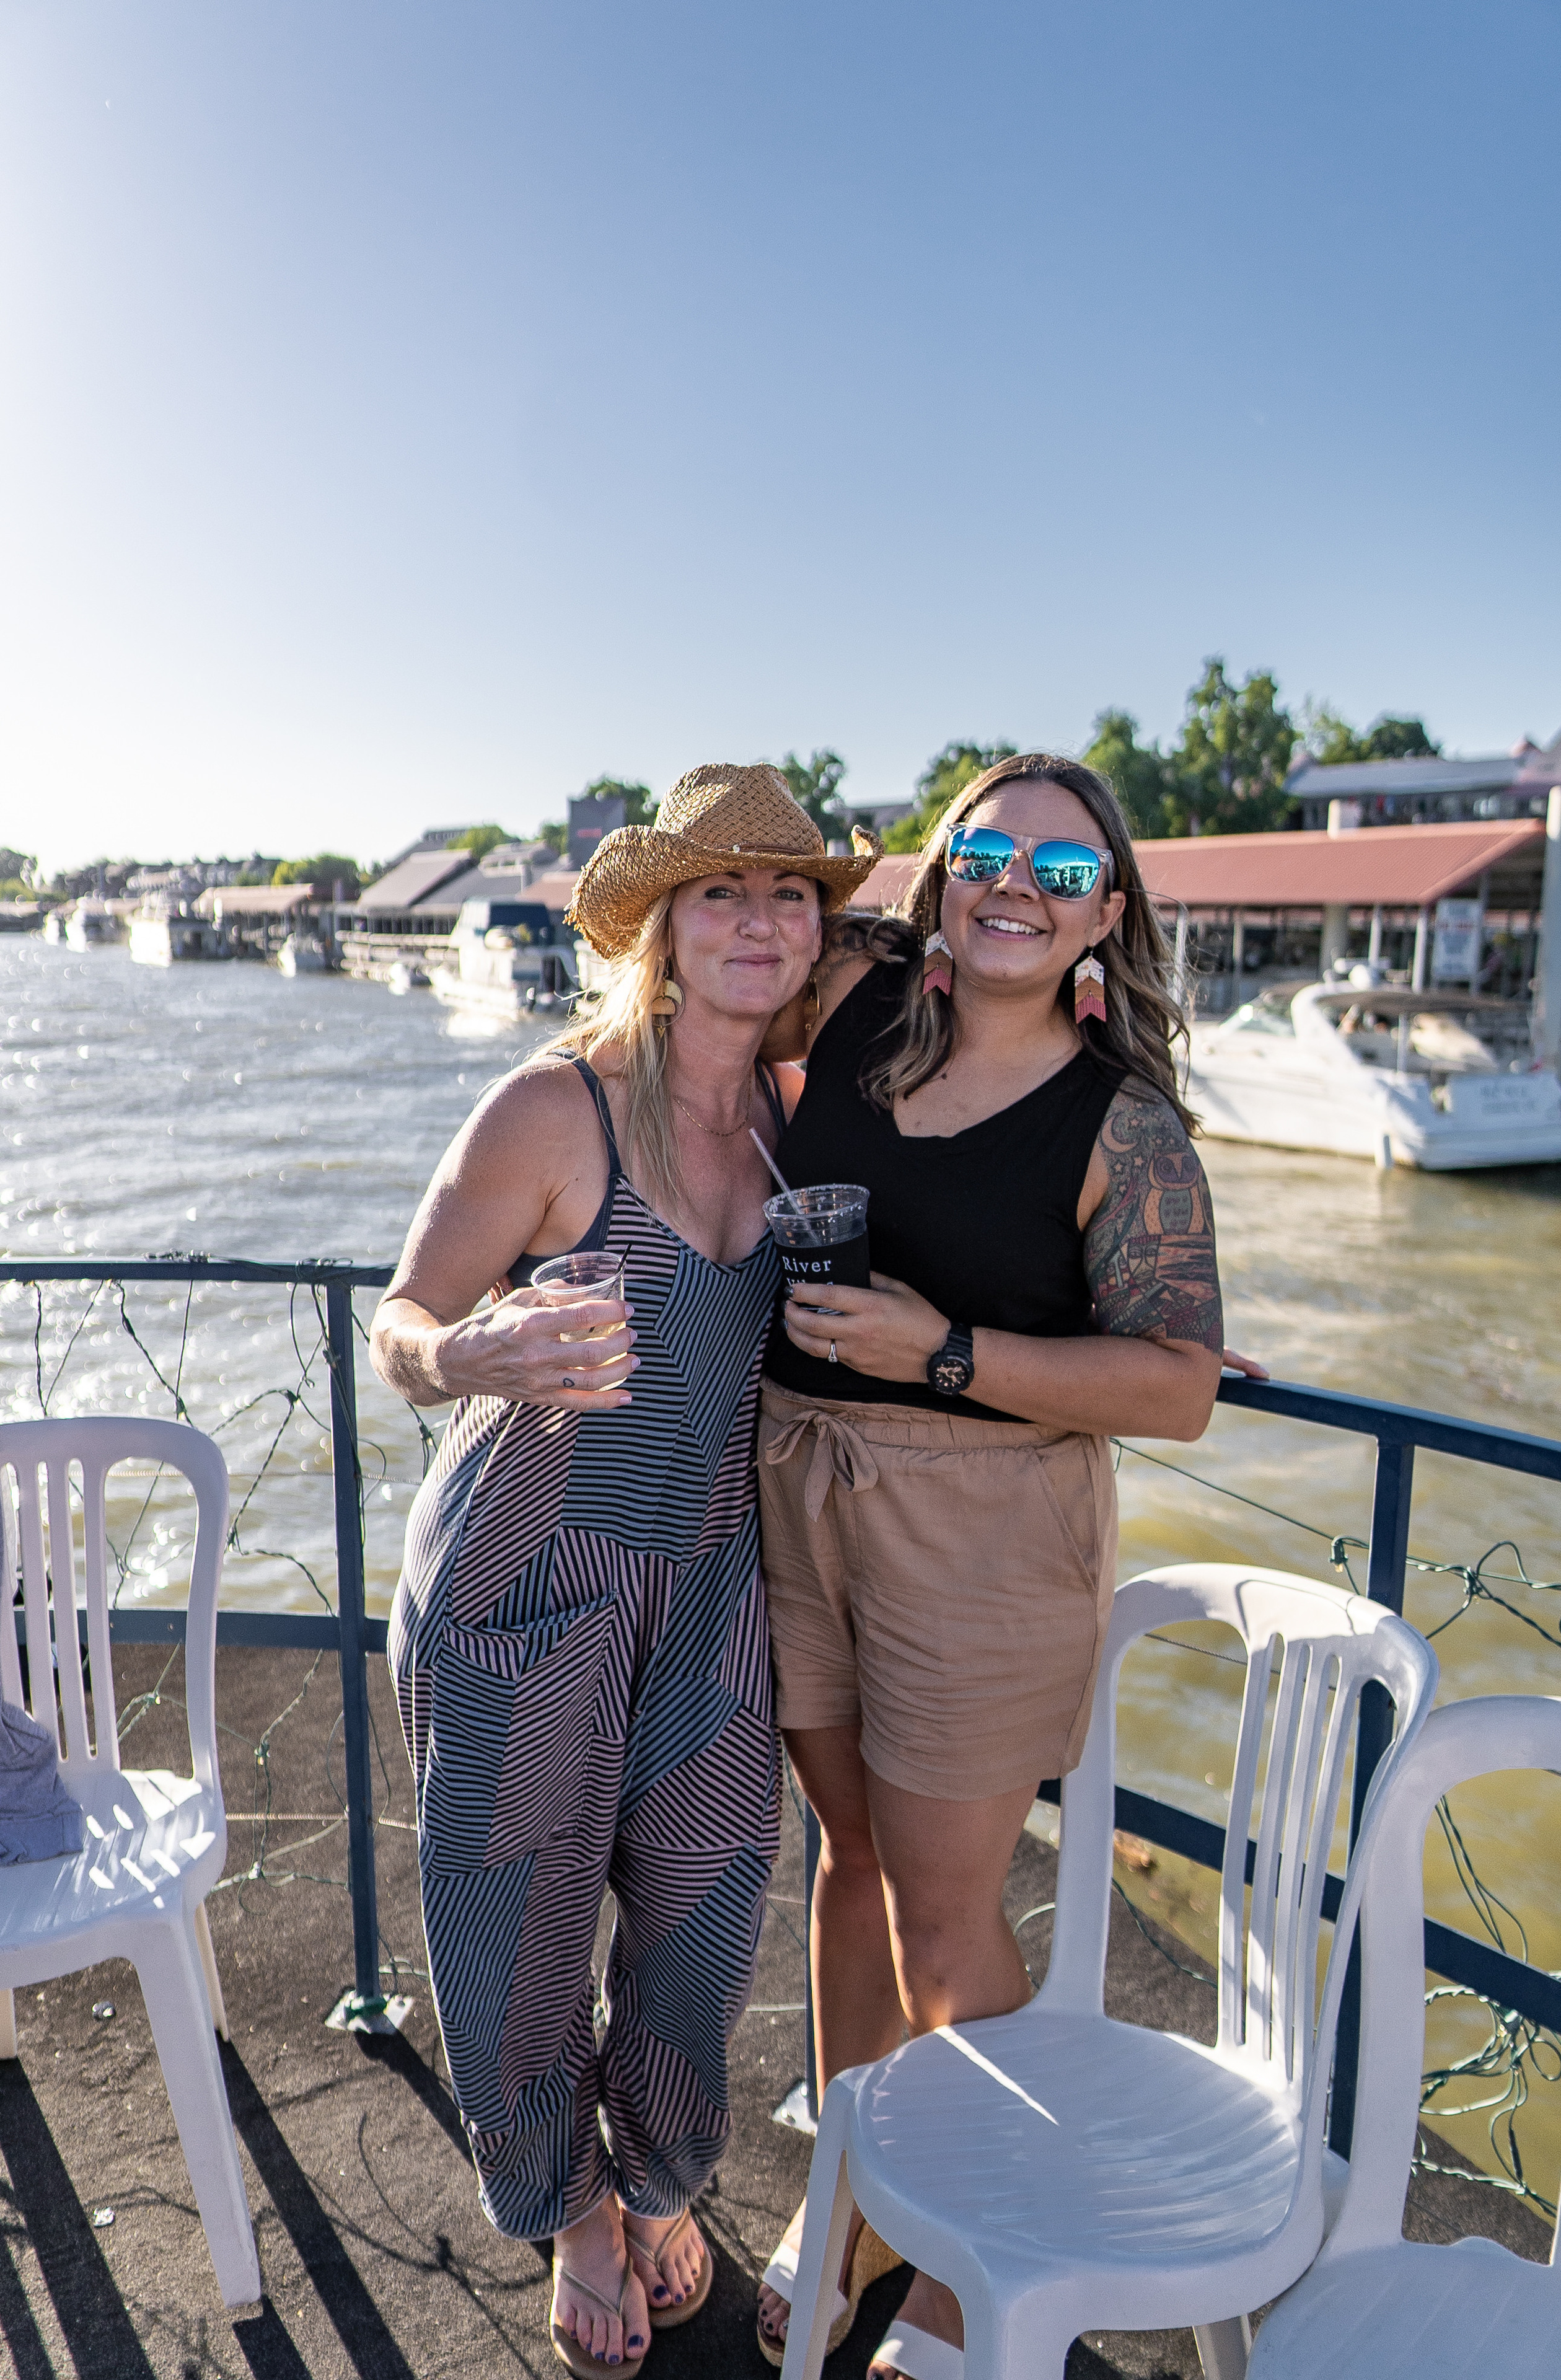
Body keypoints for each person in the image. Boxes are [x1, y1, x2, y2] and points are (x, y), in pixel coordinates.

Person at [372, 764, 876, 2380]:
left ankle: (662, 2167)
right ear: (658, 926)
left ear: (814, 932)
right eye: (720, 890)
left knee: (708, 1912)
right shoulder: (553, 1108)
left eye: (788, 892)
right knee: (513, 1927)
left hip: (711, 1582)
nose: (758, 918)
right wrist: (476, 1346)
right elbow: (398, 1332)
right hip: (527, 1578)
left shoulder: (802, 1124)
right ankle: (577, 2206)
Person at [753, 752, 1228, 2380]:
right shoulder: (863, 1020)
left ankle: (970, 2267)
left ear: (1108, 917)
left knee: (950, 1922)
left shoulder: (1128, 1126)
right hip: (797, 1481)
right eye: (988, 849)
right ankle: (850, 2197)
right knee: (851, 1868)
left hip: (985, 1528)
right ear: (945, 878)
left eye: (1062, 866)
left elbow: (1174, 1386)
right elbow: (707, 968)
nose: (1019, 879)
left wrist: (939, 1349)